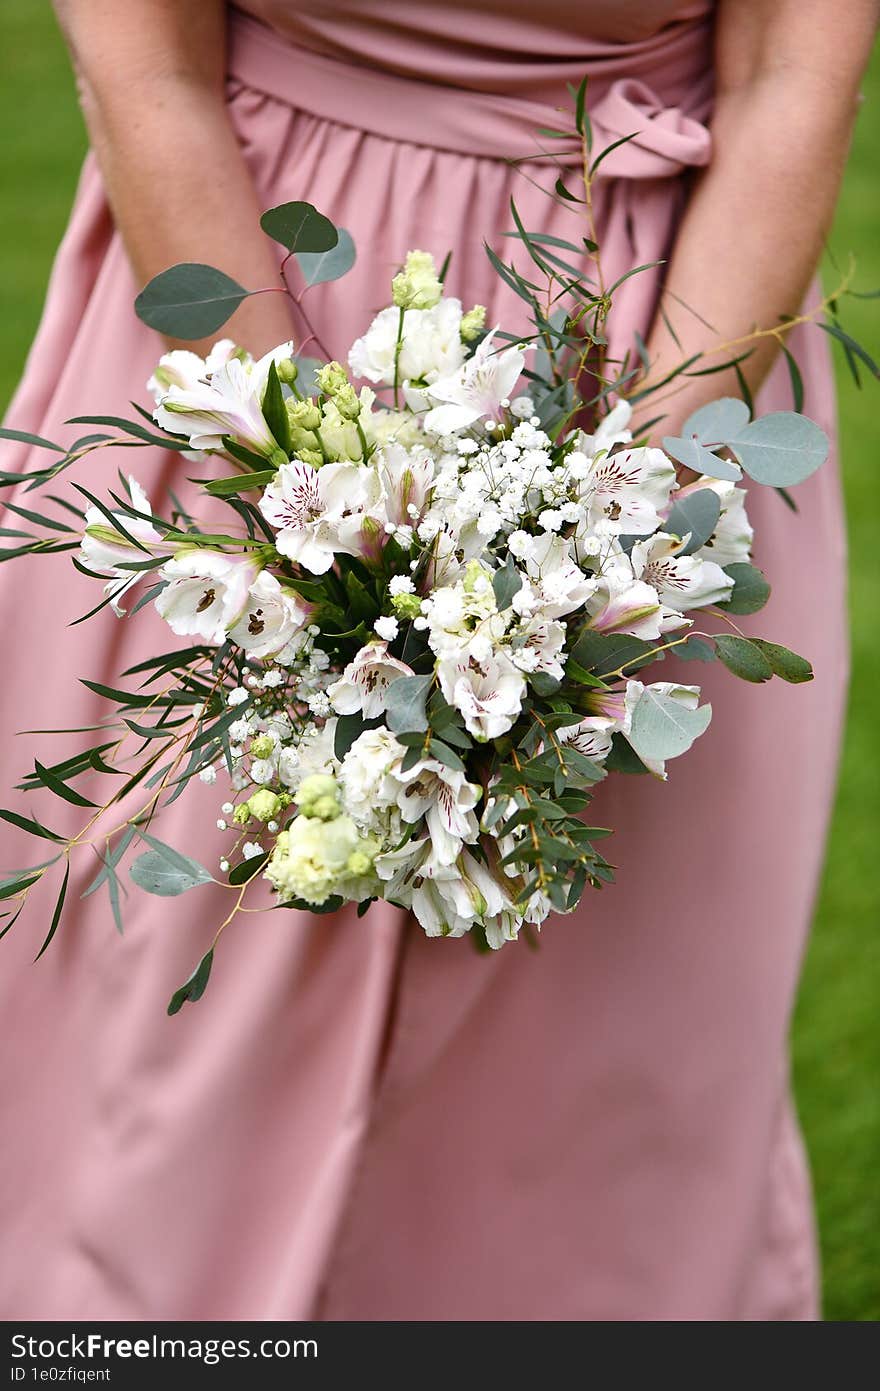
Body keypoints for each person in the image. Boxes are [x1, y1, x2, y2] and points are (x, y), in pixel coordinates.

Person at [0, 0, 875, 1321]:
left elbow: (793, 73)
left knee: (580, 1082)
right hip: (250, 302)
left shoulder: (642, 473)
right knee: (175, 1051)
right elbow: (148, 66)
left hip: (661, 353)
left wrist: (604, 530)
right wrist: (307, 487)